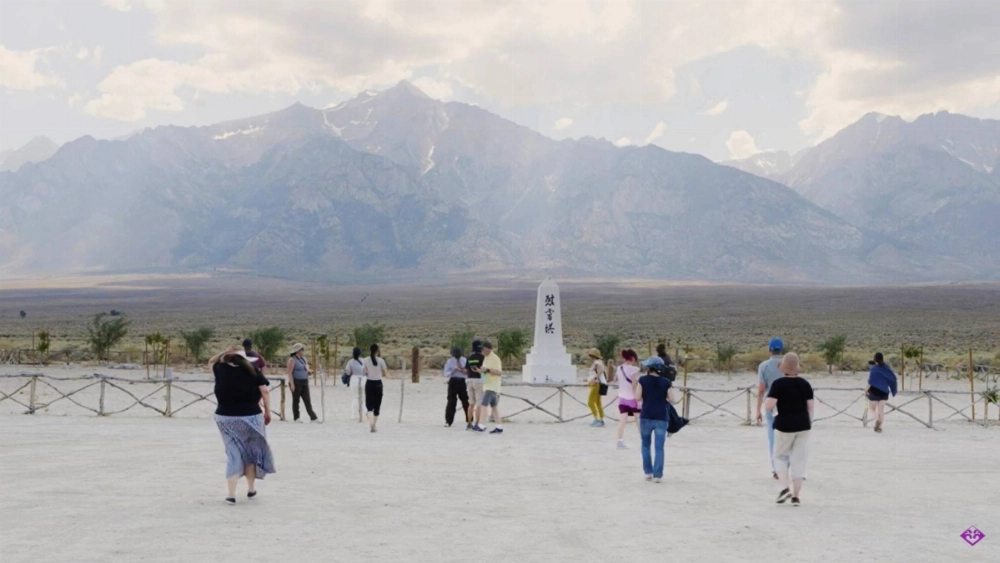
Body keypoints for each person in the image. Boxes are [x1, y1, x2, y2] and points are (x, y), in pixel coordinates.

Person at [209, 346, 276, 505]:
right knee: (251, 453)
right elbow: (265, 392)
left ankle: (231, 494)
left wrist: (225, 350)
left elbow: (211, 360)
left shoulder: (220, 368)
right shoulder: (253, 371)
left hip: (225, 417)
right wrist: (267, 411)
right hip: (251, 416)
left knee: (233, 453)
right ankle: (251, 489)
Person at [764, 353, 814, 507]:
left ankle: (785, 487)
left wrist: (775, 411)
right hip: (803, 426)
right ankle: (796, 496)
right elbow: (810, 408)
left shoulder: (778, 384)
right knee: (800, 460)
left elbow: (769, 405)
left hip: (784, 426)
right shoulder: (805, 384)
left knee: (780, 457)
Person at [636, 356, 681, 482]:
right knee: (659, 447)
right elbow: (672, 400)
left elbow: (638, 398)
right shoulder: (666, 382)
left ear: (650, 368)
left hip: (646, 415)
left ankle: (648, 472)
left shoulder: (642, 380)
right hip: (662, 417)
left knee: (645, 445)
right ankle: (658, 474)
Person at [755, 337, 785, 480]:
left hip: (771, 404)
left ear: (769, 350)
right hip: (788, 403)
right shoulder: (788, 364)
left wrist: (757, 409)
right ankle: (786, 466)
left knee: (773, 437)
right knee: (788, 435)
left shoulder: (764, 366)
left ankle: (776, 468)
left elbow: (761, 389)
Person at [472, 341, 503, 434]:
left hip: (491, 386)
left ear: (489, 349)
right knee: (494, 407)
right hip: (487, 385)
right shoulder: (486, 358)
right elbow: (485, 371)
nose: (482, 351)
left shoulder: (495, 358)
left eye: (484, 349)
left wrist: (488, 370)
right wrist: (479, 370)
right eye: (482, 349)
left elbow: (499, 373)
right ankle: (499, 426)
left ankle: (482, 425)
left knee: (483, 405)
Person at [614, 348, 641, 449]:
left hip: (622, 397)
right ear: (633, 358)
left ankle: (619, 441)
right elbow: (634, 384)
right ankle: (644, 439)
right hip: (632, 397)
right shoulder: (633, 369)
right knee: (638, 419)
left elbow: (617, 380)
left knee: (622, 420)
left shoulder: (619, 368)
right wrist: (637, 398)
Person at [866, 352, 898, 433]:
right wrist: (893, 389)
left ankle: (877, 419)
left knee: (872, 408)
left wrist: (865, 390)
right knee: (881, 410)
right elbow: (892, 378)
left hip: (874, 391)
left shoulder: (874, 369)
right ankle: (879, 425)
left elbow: (870, 381)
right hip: (884, 392)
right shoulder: (886, 368)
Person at [287, 343, 317, 423]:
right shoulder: (292, 360)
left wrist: (309, 372)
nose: (303, 351)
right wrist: (292, 384)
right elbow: (289, 373)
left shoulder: (304, 359)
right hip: (296, 381)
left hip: (304, 381)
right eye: (301, 349)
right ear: (297, 351)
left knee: (307, 400)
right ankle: (296, 417)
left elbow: (306, 368)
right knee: (296, 400)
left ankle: (313, 417)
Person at [362, 343, 388, 433]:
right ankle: (374, 425)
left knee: (369, 406)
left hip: (369, 383)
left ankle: (371, 424)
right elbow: (385, 373)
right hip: (378, 383)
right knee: (377, 405)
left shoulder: (365, 360)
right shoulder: (381, 361)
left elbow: (363, 372)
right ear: (377, 351)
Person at [444, 346, 470, 427]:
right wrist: (453, 371)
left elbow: (467, 372)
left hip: (462, 381)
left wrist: (462, 370)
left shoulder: (464, 360)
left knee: (465, 400)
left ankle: (469, 419)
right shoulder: (449, 361)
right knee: (451, 401)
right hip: (453, 381)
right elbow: (446, 373)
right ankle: (448, 421)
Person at [465, 340, 485, 430]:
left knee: (471, 403)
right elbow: (484, 369)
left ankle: (469, 422)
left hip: (469, 380)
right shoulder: (483, 357)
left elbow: (466, 370)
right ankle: (477, 424)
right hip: (479, 380)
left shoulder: (469, 357)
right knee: (479, 403)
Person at [586, 348, 607, 427]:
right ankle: (601, 418)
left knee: (590, 402)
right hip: (597, 383)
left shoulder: (597, 363)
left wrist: (595, 378)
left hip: (595, 384)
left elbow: (600, 371)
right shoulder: (599, 362)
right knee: (598, 402)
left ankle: (596, 418)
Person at [343, 347, 366, 421]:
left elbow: (348, 372)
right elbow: (366, 371)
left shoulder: (350, 362)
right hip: (363, 379)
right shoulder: (363, 361)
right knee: (363, 397)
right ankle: (364, 413)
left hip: (354, 379)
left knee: (355, 397)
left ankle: (353, 414)